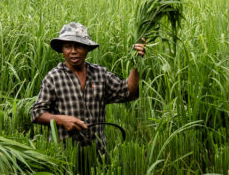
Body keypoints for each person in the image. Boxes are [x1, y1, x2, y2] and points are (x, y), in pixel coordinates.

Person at [30, 22, 145, 152]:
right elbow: (36, 113)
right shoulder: (53, 77)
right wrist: (61, 120)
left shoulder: (100, 74)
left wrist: (136, 61)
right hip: (65, 155)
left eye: (78, 46)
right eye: (68, 46)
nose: (73, 51)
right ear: (62, 49)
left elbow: (128, 92)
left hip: (97, 154)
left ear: (87, 48)